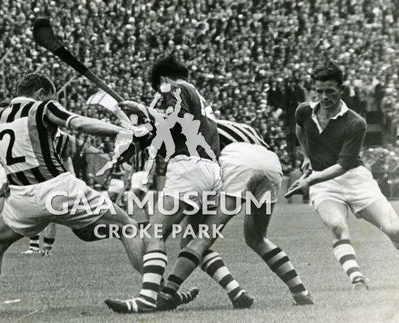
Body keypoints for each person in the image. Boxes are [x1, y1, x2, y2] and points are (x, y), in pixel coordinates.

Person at [0, 73, 145, 314]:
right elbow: (79, 123)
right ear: (41, 93)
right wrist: (125, 131)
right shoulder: (43, 107)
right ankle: (158, 290)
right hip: (57, 188)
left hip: (21, 198)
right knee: (127, 226)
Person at [105, 55, 236, 313]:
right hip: (211, 171)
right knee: (192, 241)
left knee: (154, 233)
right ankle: (236, 291)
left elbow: (177, 121)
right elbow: (167, 134)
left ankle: (146, 298)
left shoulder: (175, 89)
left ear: (164, 80)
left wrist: (143, 111)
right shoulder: (197, 96)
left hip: (189, 167)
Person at [156, 120, 314, 311]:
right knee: (257, 238)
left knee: (199, 238)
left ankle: (166, 294)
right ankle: (300, 292)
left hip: (235, 162)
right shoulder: (240, 126)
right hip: (271, 163)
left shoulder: (198, 127)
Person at [287, 61, 399, 289]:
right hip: (324, 184)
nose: (324, 96)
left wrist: (308, 181)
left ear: (341, 89)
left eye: (329, 91)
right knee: (337, 226)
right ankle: (357, 279)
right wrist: (307, 157)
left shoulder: (356, 122)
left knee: (393, 229)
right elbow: (299, 128)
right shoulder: (304, 111)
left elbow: (343, 165)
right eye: (319, 91)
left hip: (355, 179)